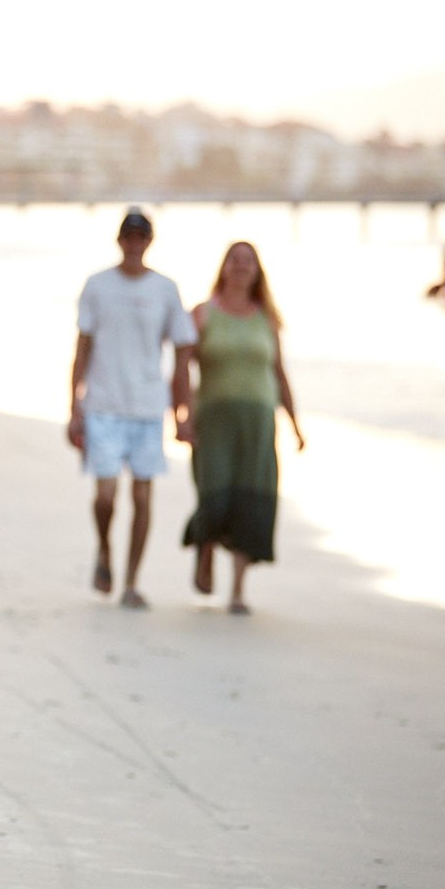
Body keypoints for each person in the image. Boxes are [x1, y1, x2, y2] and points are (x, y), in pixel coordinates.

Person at [67, 207, 196, 610]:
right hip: (103, 404)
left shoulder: (166, 289)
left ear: (149, 241)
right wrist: (74, 406)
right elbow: (82, 348)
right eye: (129, 236)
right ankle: (105, 548)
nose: (134, 243)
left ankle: (131, 582)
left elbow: (183, 349)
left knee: (142, 497)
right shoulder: (97, 285)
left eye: (141, 237)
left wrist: (182, 410)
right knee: (106, 496)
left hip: (148, 407)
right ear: (120, 240)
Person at [183, 241, 305, 614]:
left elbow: (279, 373)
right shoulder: (203, 314)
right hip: (214, 420)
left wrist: (295, 425)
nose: (241, 266)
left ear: (257, 270)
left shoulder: (267, 318)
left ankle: (237, 590)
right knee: (215, 495)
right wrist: (182, 415)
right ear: (223, 267)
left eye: (248, 261)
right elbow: (181, 367)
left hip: (258, 422)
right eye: (234, 260)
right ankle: (205, 547)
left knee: (252, 499)